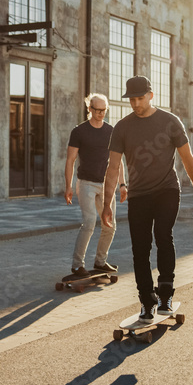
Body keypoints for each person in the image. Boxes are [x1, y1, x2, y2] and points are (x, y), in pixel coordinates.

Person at [102, 76, 193, 322]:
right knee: (140, 248)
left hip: (166, 190)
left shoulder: (170, 122)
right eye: (132, 99)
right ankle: (147, 301)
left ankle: (165, 294)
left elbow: (187, 158)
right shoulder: (122, 127)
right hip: (138, 194)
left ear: (151, 95)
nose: (136, 103)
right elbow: (113, 167)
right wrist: (107, 203)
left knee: (163, 234)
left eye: (140, 98)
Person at [64, 93, 126, 276]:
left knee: (110, 225)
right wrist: (68, 186)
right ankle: (77, 265)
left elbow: (118, 161)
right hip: (86, 184)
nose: (100, 113)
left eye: (104, 110)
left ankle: (100, 261)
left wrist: (122, 184)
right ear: (89, 109)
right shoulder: (79, 131)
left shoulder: (111, 131)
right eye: (97, 110)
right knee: (90, 222)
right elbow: (70, 160)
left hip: (107, 185)